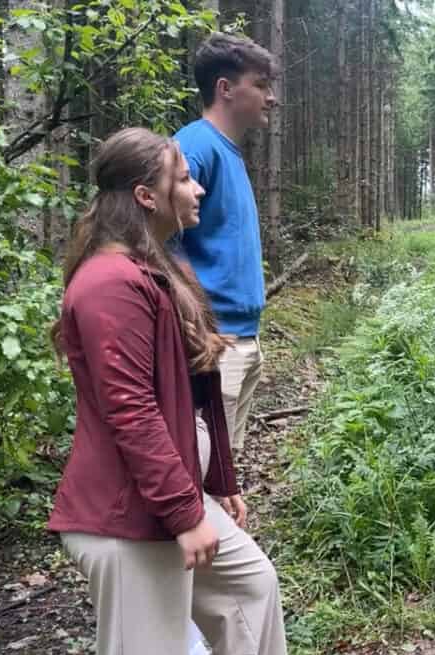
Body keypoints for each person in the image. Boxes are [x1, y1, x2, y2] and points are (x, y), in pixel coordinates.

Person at [48, 127, 289, 655]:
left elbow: (202, 384)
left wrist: (220, 481)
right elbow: (130, 410)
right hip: (126, 514)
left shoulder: (161, 270)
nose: (197, 189)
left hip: (169, 495)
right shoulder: (108, 282)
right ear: (145, 196)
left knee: (253, 590)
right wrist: (185, 513)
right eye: (183, 179)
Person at [174, 33, 277, 462]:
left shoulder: (226, 151)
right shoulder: (194, 146)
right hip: (217, 342)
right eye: (261, 84)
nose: (271, 97)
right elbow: (156, 239)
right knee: (202, 469)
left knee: (224, 468)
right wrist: (204, 322)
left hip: (242, 336)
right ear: (225, 88)